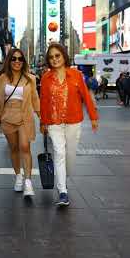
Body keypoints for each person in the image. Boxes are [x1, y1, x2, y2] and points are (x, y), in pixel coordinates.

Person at [40, 43, 99, 207]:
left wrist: (93, 117)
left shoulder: (76, 75)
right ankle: (63, 191)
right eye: (51, 57)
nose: (54, 59)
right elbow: (43, 100)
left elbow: (86, 96)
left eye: (57, 55)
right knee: (59, 153)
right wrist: (43, 122)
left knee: (70, 156)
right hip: (54, 122)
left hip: (73, 121)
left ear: (64, 56)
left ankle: (64, 176)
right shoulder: (46, 77)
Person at [0, 48, 40, 198]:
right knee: (14, 148)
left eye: (20, 59)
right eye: (14, 59)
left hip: (24, 116)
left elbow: (35, 100)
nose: (17, 61)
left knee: (25, 146)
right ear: (9, 60)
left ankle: (28, 182)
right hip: (6, 116)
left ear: (23, 62)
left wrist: (42, 118)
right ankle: (18, 176)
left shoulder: (30, 78)